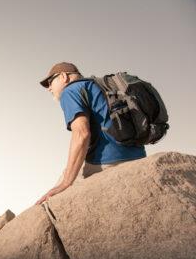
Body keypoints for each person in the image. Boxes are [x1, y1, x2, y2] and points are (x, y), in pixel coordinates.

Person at [36, 62, 146, 205]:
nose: (49, 88)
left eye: (50, 82)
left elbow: (81, 134)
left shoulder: (70, 91)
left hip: (109, 161)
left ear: (63, 76)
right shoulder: (99, 86)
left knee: (53, 196)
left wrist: (66, 182)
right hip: (138, 156)